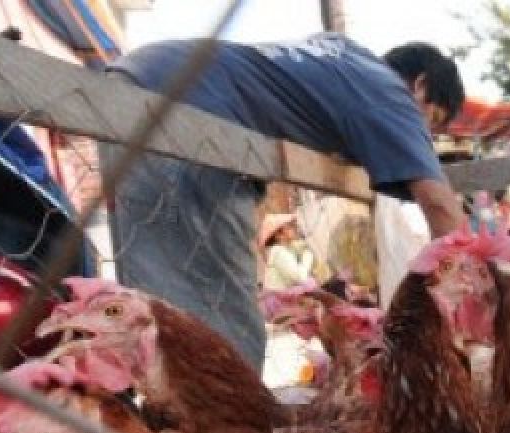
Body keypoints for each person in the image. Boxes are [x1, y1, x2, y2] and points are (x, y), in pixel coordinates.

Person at [107, 37, 466, 367]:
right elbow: (441, 208)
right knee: (223, 322)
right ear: (419, 86)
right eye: (431, 123)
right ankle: (233, 432)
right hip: (187, 115)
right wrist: (458, 308)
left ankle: (181, 426)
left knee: (159, 307)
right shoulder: (389, 92)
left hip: (139, 84)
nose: (423, 138)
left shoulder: (345, 61)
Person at [261, 215, 314, 290]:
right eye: (289, 227)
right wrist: (307, 255)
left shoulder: (285, 248)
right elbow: (300, 276)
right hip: (281, 298)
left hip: (286, 294)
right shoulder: (278, 252)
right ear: (278, 235)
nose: (294, 229)